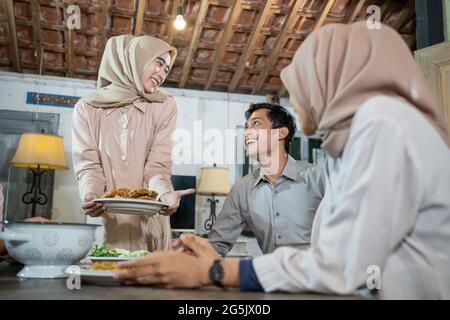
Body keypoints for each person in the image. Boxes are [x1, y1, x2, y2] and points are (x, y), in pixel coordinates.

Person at [114, 22, 450, 299]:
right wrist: (193, 252)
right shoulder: (351, 147)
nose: (296, 91)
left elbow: (341, 264)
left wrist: (215, 272)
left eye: (305, 75)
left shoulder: (382, 122)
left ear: (336, 75)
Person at [72, 35, 194, 252]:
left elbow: (157, 166)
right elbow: (89, 165)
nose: (162, 74)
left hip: (149, 222)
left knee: (150, 281)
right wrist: (90, 194)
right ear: (133, 59)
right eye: (158, 63)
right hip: (106, 218)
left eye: (167, 69)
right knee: (104, 280)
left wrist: (165, 193)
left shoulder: (165, 106)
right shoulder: (87, 108)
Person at [208, 103, 324, 256]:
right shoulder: (242, 188)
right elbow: (217, 244)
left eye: (256, 123)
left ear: (281, 133)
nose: (247, 132)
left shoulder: (317, 177)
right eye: (246, 127)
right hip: (272, 277)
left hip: (322, 276)